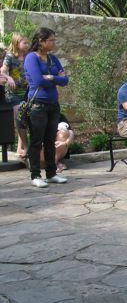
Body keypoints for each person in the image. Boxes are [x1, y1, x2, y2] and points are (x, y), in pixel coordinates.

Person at [23, 27, 69, 188]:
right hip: (37, 105)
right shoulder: (31, 58)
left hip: (53, 105)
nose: (53, 43)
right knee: (36, 140)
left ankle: (51, 173)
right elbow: (37, 80)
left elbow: (65, 81)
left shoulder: (53, 58)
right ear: (41, 41)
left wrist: (50, 77)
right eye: (51, 40)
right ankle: (35, 175)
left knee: (50, 140)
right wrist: (55, 78)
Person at [1, 33, 30, 158]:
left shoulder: (29, 56)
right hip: (13, 94)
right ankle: (26, 147)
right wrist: (8, 78)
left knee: (23, 119)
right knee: (19, 116)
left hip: (27, 92)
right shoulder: (10, 56)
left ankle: (20, 147)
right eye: (24, 43)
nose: (26, 45)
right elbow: (2, 70)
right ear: (17, 44)